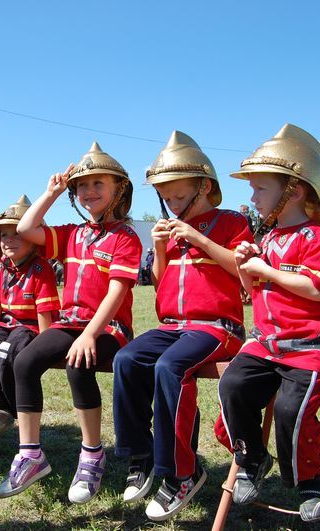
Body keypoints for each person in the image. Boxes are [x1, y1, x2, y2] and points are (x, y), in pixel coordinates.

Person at [112, 132, 251, 521]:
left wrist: (199, 238)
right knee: (126, 359)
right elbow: (160, 283)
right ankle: (140, 455)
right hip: (174, 325)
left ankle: (182, 474)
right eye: (165, 198)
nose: (171, 206)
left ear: (204, 187)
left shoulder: (231, 221)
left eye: (177, 197)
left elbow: (243, 275)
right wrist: (158, 248)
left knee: (169, 367)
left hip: (217, 327)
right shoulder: (169, 230)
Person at [0, 142, 142, 504]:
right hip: (70, 322)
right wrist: (52, 192)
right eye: (81, 186)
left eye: (98, 184)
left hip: (108, 329)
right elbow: (27, 227)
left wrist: (91, 334)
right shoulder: (72, 234)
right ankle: (30, 454)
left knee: (79, 365)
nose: (88, 192)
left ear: (119, 189)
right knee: (25, 360)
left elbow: (118, 293)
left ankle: (92, 455)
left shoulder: (126, 237)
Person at [217, 124, 320, 523]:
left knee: (291, 411)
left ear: (295, 191)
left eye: (260, 189)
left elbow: (314, 289)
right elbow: (249, 288)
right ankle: (252, 458)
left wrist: (265, 270)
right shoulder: (269, 239)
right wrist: (245, 265)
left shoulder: (317, 239)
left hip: (309, 346)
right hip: (266, 342)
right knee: (232, 386)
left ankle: (311, 481)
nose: (252, 198)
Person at [0, 195, 61, 443]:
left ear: (33, 239)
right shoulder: (1, 267)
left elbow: (43, 313)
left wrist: (44, 345)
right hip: (6, 324)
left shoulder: (42, 269)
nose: (8, 241)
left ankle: (11, 408)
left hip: (29, 327)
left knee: (7, 353)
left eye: (16, 234)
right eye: (3, 236)